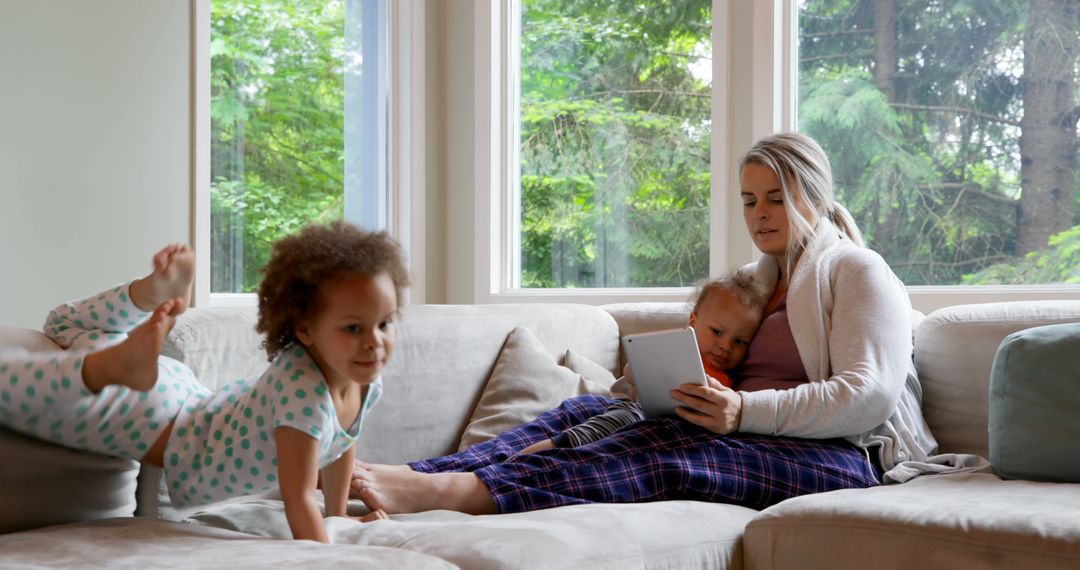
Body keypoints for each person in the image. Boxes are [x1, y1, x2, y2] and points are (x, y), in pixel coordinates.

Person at [347, 131, 940, 516]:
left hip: (840, 456)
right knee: (585, 412)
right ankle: (418, 473)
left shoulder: (858, 272)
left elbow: (868, 396)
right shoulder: (753, 282)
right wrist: (650, 389)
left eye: (775, 198)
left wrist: (741, 413)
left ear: (813, 195)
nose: (758, 214)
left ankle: (453, 495)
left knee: (664, 447)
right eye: (748, 199)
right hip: (744, 428)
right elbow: (718, 364)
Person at [0, 221, 410, 543]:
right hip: (156, 419)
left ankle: (147, 297)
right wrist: (327, 558)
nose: (374, 342)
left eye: (385, 323)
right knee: (38, 370)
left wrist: (337, 519)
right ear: (304, 329)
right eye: (354, 328)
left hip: (177, 395)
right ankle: (114, 359)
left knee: (62, 324)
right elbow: (299, 497)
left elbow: (340, 445)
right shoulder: (303, 396)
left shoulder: (360, 379)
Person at [515, 270, 768, 455]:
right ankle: (531, 455)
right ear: (693, 322)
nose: (726, 346)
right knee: (601, 427)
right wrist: (641, 374)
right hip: (636, 410)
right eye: (717, 332)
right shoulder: (676, 348)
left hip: (673, 429)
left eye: (740, 342)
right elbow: (630, 372)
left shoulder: (734, 379)